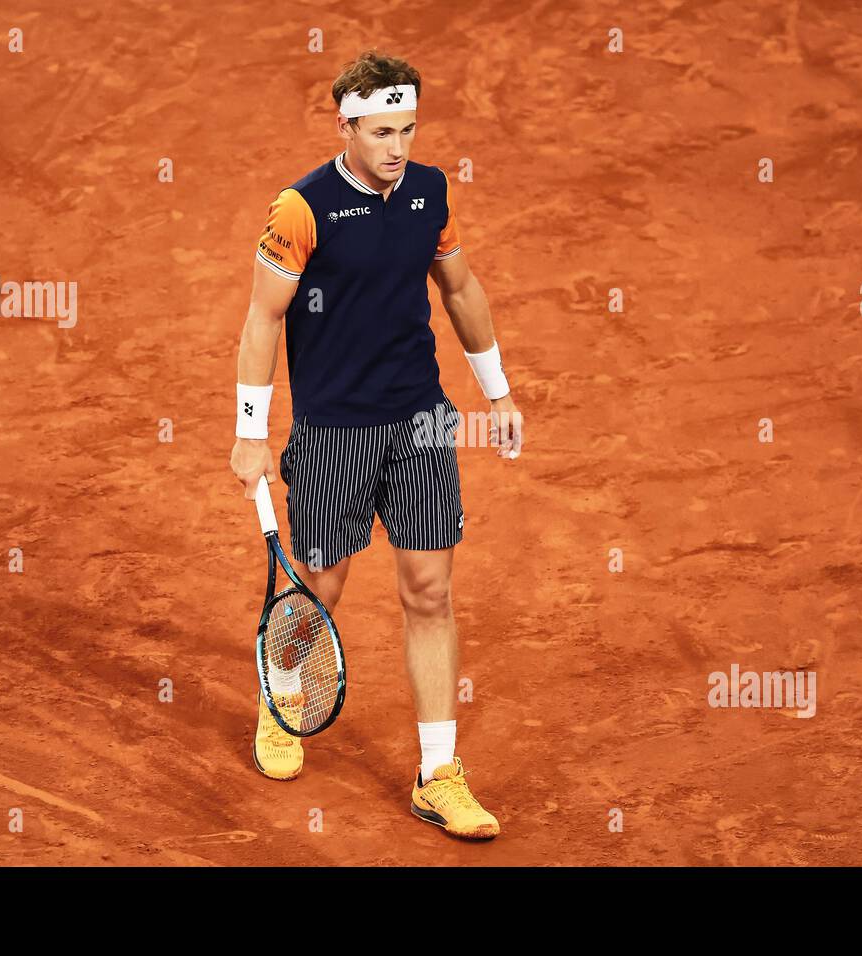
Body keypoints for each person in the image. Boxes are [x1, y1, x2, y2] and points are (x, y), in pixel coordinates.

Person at [229, 50, 524, 840]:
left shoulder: (431, 192)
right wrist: (250, 434)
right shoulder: (302, 208)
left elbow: (459, 287)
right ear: (347, 128)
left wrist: (496, 391)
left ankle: (438, 773)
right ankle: (284, 688)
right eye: (382, 131)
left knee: (430, 592)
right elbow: (263, 319)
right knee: (319, 588)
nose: (398, 147)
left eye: (409, 129)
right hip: (331, 432)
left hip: (422, 421)